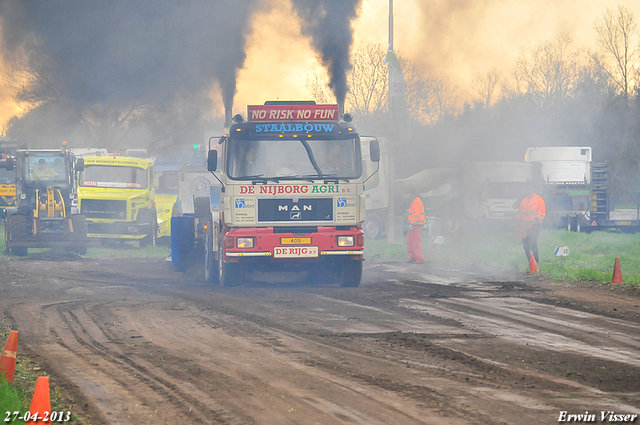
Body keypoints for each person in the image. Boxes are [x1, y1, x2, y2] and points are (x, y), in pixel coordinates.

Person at [517, 183, 546, 264]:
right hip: (524, 226)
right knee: (525, 245)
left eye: (528, 188)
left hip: (535, 226)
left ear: (533, 189)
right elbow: (520, 213)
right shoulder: (524, 200)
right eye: (526, 189)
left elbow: (542, 214)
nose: (526, 190)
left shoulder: (539, 200)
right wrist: (516, 217)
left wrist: (535, 219)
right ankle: (530, 262)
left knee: (533, 244)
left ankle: (536, 262)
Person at [406, 192, 426, 264]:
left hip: (416, 225)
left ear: (413, 194)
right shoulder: (415, 202)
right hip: (414, 225)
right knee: (410, 241)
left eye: (410, 194)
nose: (409, 196)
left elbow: (416, 214)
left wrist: (411, 223)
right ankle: (413, 257)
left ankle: (420, 259)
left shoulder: (416, 202)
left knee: (415, 242)